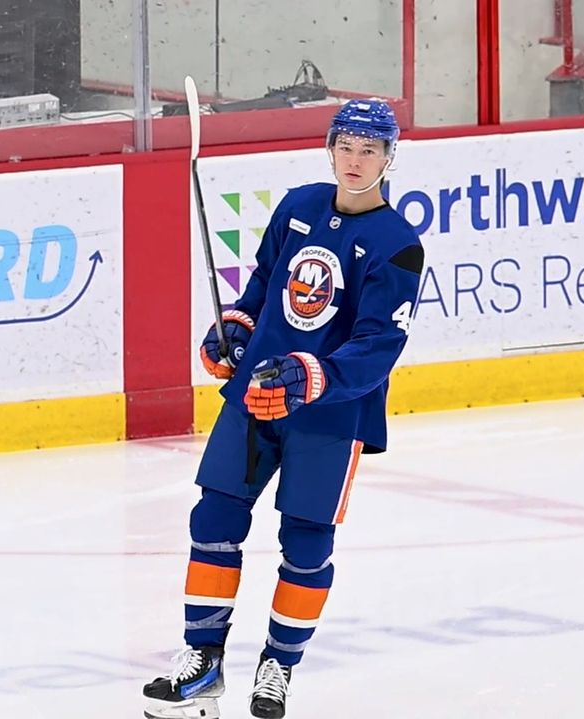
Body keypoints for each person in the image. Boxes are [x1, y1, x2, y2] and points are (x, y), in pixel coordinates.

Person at [143, 98, 424, 719]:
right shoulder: (297, 206)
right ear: (330, 149)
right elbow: (262, 286)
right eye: (346, 148)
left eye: (369, 151)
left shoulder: (398, 246)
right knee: (213, 517)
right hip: (253, 398)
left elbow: (378, 346)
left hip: (330, 416)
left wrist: (308, 374)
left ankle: (278, 667)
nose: (355, 162)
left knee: (305, 541)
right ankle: (203, 661)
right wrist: (233, 334)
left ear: (389, 158)